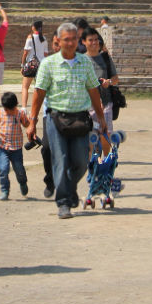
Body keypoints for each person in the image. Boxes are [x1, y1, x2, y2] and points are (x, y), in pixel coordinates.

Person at [28, 22, 104, 219]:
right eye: (66, 39)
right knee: (60, 160)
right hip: (56, 119)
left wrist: (101, 118)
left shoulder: (85, 62)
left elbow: (94, 91)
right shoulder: (48, 64)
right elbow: (39, 94)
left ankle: (69, 188)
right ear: (59, 41)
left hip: (80, 118)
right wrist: (32, 121)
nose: (70, 43)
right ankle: (63, 203)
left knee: (81, 161)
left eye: (73, 39)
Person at [85, 28, 119, 152]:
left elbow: (115, 78)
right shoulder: (81, 60)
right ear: (84, 42)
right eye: (91, 40)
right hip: (88, 105)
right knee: (90, 135)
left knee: (106, 134)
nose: (94, 43)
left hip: (105, 102)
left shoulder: (105, 58)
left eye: (96, 40)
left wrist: (108, 82)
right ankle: (93, 164)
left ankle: (104, 162)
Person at [0, 92, 30, 200]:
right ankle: (4, 190)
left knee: (19, 170)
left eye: (11, 109)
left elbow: (27, 124)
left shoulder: (19, 114)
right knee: (3, 170)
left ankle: (23, 183)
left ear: (16, 105)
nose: (9, 112)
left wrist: (31, 122)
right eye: (6, 109)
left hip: (16, 148)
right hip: (3, 147)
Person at [20, 20, 49, 113]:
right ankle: (41, 106)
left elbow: (25, 52)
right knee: (40, 87)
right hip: (41, 65)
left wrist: (22, 64)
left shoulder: (30, 38)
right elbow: (45, 54)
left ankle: (24, 107)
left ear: (33, 27)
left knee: (25, 87)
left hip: (31, 64)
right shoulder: (44, 39)